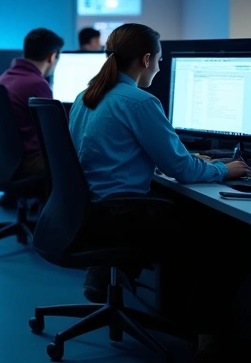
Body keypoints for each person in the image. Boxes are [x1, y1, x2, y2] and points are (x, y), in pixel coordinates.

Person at [68, 23, 250, 358]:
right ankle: (205, 332)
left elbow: (112, 152)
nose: (160, 67)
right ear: (146, 58)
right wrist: (227, 169)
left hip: (89, 212)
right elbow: (180, 170)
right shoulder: (140, 102)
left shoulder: (86, 96)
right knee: (229, 236)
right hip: (119, 216)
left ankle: (116, 277)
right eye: (160, 60)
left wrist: (182, 155)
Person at [0, 28, 64, 177]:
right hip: (30, 161)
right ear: (52, 57)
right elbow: (53, 133)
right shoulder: (36, 84)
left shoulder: (5, 77)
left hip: (9, 157)